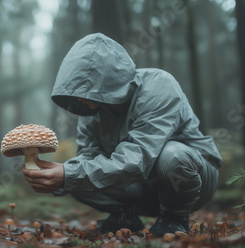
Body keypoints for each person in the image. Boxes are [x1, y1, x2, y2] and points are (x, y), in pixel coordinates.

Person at [22, 33, 222, 236]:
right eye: (78, 89)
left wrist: (70, 174)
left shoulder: (158, 86)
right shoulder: (91, 108)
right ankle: (125, 215)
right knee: (75, 172)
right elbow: (87, 157)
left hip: (192, 180)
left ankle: (174, 219)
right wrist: (58, 177)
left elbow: (138, 156)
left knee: (172, 156)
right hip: (139, 186)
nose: (80, 99)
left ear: (108, 80)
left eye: (88, 88)